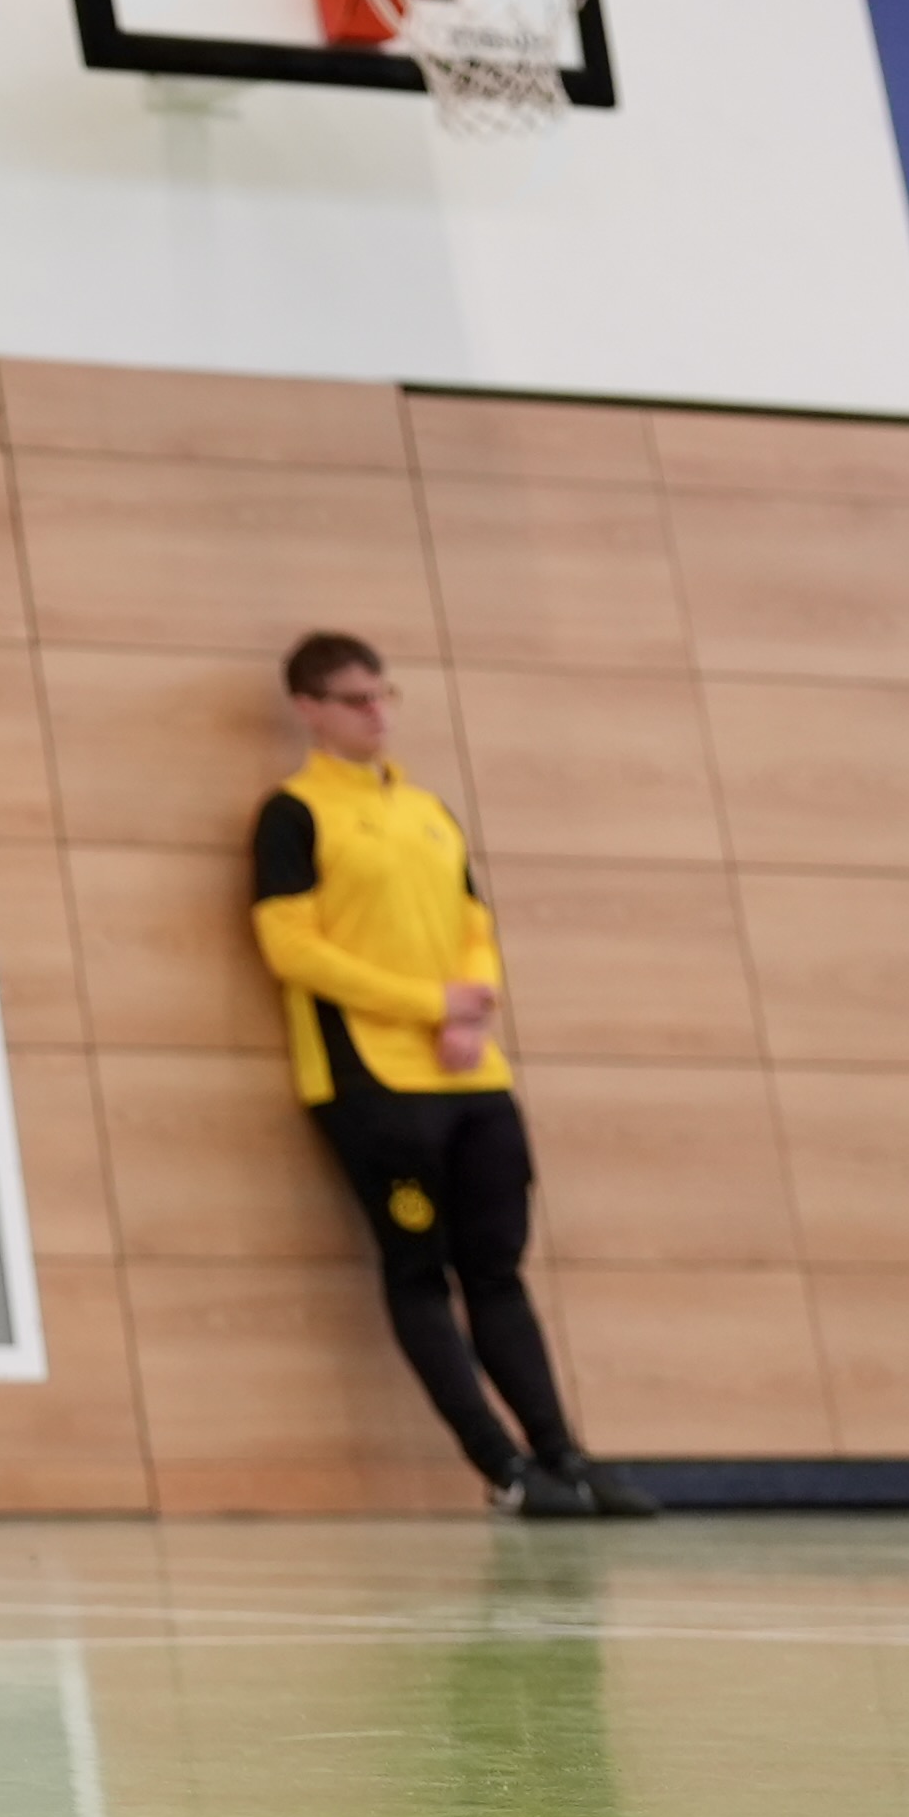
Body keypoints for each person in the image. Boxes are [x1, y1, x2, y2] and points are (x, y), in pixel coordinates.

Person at [258, 632, 656, 1520]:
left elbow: (473, 922)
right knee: (417, 1267)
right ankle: (501, 1465)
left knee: (497, 1267)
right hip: (374, 1086)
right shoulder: (293, 813)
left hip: (470, 1080)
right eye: (355, 699)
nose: (376, 714)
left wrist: (471, 1006)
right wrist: (425, 1003)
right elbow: (290, 947)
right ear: (310, 708)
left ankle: (563, 1455)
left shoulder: (429, 810)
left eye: (383, 695)